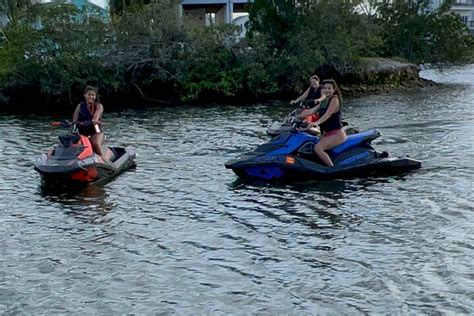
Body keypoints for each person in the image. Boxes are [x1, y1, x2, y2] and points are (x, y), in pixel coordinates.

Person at [298, 79, 347, 167]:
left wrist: (316, 123)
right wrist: (294, 117)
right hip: (326, 134)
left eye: (329, 88)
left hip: (337, 135)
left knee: (318, 148)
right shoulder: (325, 100)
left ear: (334, 90)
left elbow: (328, 114)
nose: (327, 90)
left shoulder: (334, 99)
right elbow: (311, 111)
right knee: (309, 141)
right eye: (325, 88)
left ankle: (331, 168)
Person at [72, 86, 104, 156]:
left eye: (93, 95)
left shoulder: (99, 106)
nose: (91, 97)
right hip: (83, 130)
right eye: (89, 94)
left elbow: (96, 116)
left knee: (95, 143)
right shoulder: (80, 106)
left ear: (95, 96)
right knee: (73, 143)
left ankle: (104, 160)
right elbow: (74, 120)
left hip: (95, 129)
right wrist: (73, 127)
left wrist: (94, 120)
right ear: (85, 95)